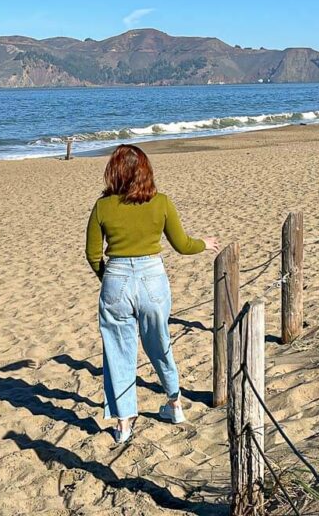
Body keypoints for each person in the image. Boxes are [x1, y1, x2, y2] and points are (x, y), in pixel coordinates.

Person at [85, 144, 219, 444]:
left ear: (114, 172)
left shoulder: (102, 207)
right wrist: (205, 244)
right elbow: (183, 245)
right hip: (152, 278)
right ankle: (174, 403)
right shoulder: (161, 203)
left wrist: (107, 278)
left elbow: (92, 254)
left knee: (118, 352)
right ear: (146, 171)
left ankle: (123, 424)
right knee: (159, 342)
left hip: (116, 278)